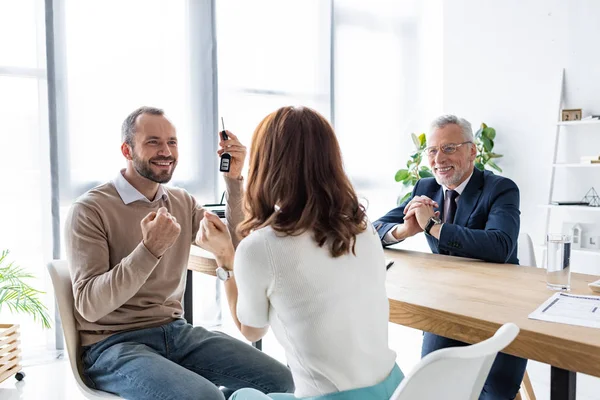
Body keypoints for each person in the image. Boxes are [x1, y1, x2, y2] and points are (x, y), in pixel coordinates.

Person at [65, 106, 294, 400]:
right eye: (153, 142)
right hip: (112, 346)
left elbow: (236, 243)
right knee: (203, 397)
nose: (166, 151)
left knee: (279, 381)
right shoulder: (90, 209)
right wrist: (149, 250)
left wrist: (234, 183)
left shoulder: (181, 202)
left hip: (175, 333)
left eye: (172, 142)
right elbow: (89, 306)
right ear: (126, 149)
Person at [196, 106, 402, 400]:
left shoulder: (261, 248)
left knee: (240, 396)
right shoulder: (361, 227)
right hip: (398, 390)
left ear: (267, 164)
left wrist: (224, 260)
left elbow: (252, 331)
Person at [373, 114, 526, 400]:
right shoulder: (425, 188)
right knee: (433, 388)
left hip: (500, 308)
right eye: (432, 150)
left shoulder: (501, 188)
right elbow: (375, 230)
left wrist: (434, 227)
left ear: (472, 151)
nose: (439, 158)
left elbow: (499, 245)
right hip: (447, 305)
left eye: (449, 148)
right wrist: (405, 230)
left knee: (493, 394)